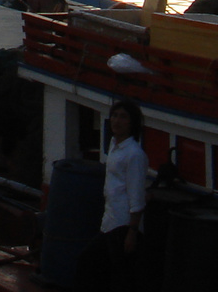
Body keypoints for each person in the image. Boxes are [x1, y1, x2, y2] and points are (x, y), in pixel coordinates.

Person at [75, 99, 150, 292]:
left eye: (123, 117)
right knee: (91, 262)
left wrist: (132, 232)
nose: (117, 121)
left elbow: (137, 196)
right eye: (114, 116)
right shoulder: (115, 147)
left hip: (123, 224)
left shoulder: (134, 154)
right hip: (110, 221)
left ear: (132, 123)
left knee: (121, 275)